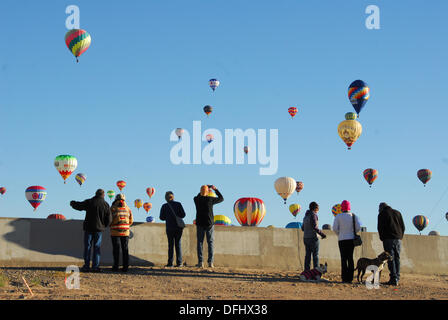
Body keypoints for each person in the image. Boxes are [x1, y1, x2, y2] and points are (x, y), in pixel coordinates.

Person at [70, 189, 112, 273]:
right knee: (97, 248)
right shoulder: (106, 204)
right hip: (99, 230)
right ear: (103, 195)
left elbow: (79, 206)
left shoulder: (90, 202)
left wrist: (72, 203)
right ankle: (95, 267)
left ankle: (86, 266)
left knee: (87, 247)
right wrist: (104, 226)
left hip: (88, 228)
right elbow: (110, 218)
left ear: (96, 194)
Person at [193, 185, 224, 268]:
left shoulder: (196, 199)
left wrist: (204, 189)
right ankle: (210, 262)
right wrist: (215, 189)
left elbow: (198, 195)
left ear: (200, 191)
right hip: (209, 223)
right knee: (210, 242)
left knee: (200, 242)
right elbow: (221, 198)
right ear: (208, 192)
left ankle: (200, 262)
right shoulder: (210, 199)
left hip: (200, 223)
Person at [333, 200, 361, 283]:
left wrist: (340, 234)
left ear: (342, 207)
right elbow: (358, 227)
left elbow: (334, 228)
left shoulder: (338, 216)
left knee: (343, 259)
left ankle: (344, 278)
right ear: (349, 207)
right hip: (351, 239)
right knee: (350, 258)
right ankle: (350, 278)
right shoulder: (354, 216)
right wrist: (352, 233)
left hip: (341, 240)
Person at [377, 202, 405, 286]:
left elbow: (380, 227)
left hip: (388, 239)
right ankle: (397, 277)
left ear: (381, 208)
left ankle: (393, 278)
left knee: (390, 258)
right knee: (397, 258)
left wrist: (382, 238)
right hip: (398, 239)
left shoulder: (382, 214)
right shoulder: (398, 212)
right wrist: (400, 236)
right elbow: (403, 227)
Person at [159, 191, 186, 267]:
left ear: (166, 198)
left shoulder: (164, 206)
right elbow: (183, 215)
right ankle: (179, 262)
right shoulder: (178, 204)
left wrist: (168, 217)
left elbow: (161, 217)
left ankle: (170, 263)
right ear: (173, 197)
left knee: (170, 245)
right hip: (178, 228)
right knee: (178, 244)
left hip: (169, 228)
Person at [110, 193, 133, 272]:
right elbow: (131, 221)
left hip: (115, 231)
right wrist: (126, 225)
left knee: (116, 249)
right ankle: (125, 267)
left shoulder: (112, 208)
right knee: (125, 249)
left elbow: (110, 220)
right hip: (125, 231)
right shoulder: (128, 208)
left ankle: (116, 266)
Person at [301, 202, 326, 271]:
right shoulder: (313, 215)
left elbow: (302, 228)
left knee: (307, 256)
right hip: (313, 238)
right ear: (315, 208)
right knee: (315, 256)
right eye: (317, 209)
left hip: (306, 238)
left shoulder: (305, 216)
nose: (318, 211)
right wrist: (322, 234)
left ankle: (307, 271)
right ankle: (316, 271)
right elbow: (315, 227)